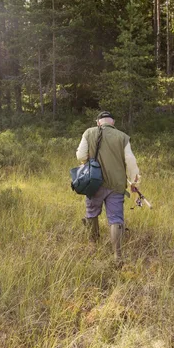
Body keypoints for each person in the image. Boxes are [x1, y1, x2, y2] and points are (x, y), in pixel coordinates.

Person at [76, 111, 141, 263]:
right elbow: (130, 161)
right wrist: (134, 182)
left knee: (92, 213)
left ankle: (93, 246)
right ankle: (117, 256)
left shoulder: (89, 132)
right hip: (116, 184)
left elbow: (80, 156)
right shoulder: (122, 136)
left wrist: (88, 160)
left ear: (98, 122)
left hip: (93, 182)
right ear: (113, 122)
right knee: (116, 219)